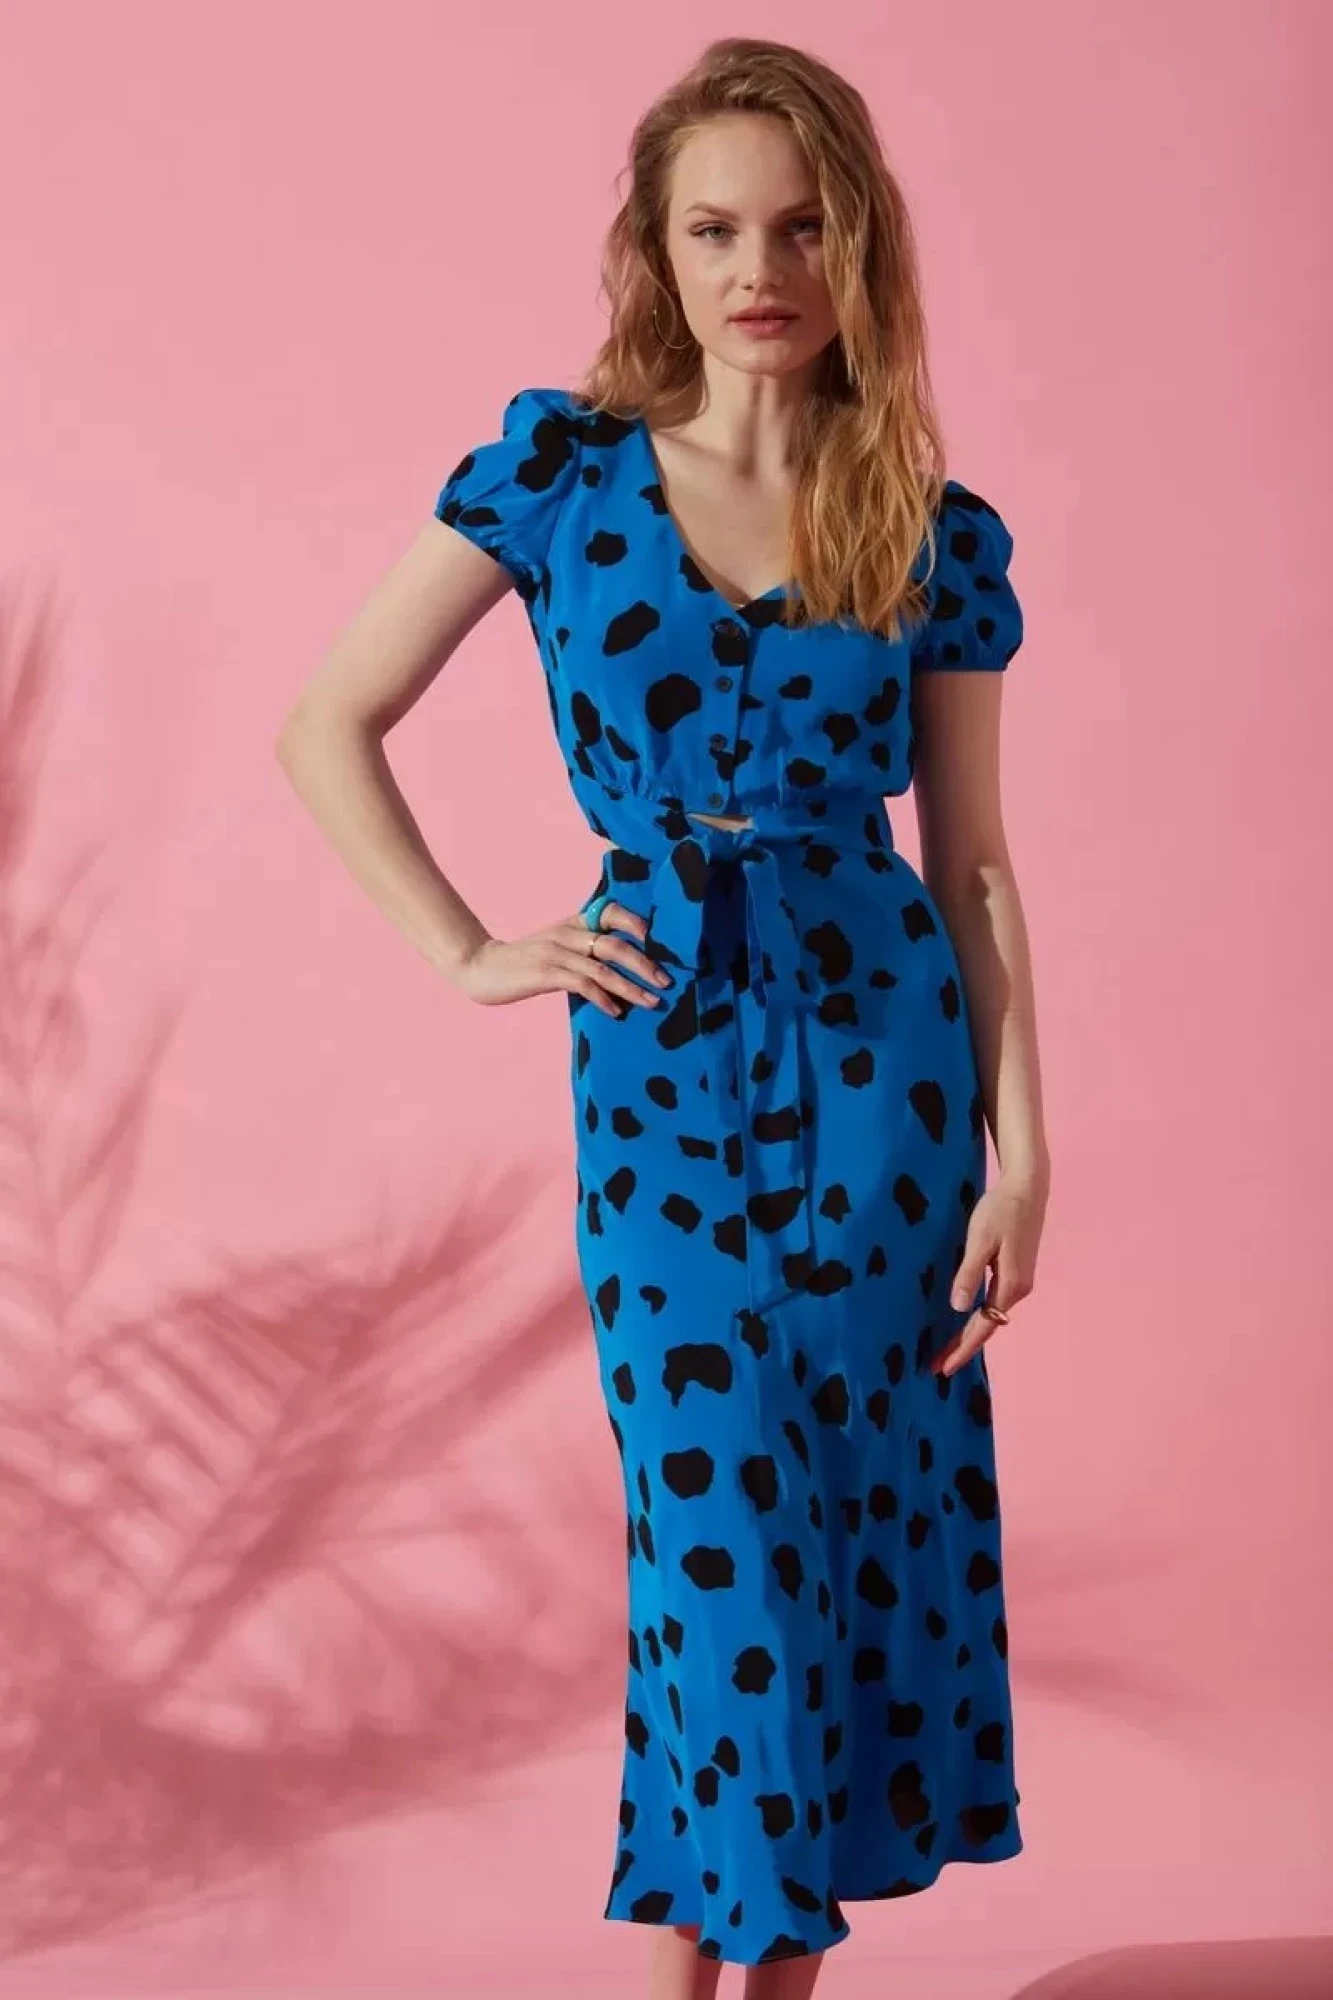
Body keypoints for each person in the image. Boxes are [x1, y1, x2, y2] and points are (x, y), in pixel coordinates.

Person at [276, 33, 1049, 2000]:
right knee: (720, 1548)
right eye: (714, 230)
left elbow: (970, 863)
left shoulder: (928, 526)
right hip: (662, 1065)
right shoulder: (559, 479)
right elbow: (327, 721)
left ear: (859, 245)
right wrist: (471, 948)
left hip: (885, 1071)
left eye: (800, 227)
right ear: (657, 246)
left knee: (844, 1529)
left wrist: (1026, 1152)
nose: (758, 269)